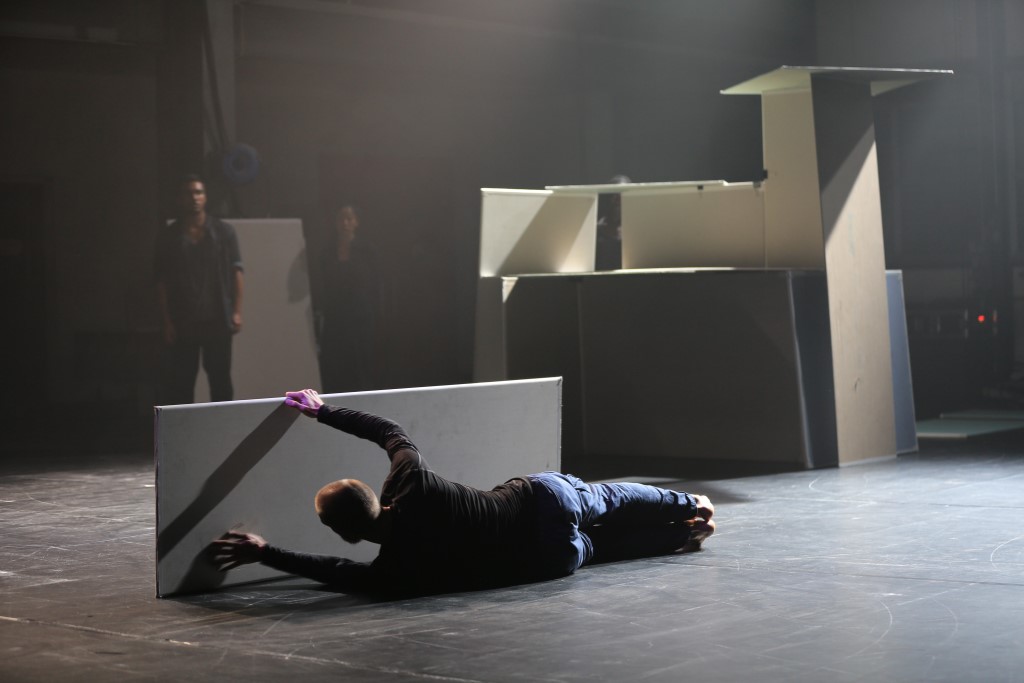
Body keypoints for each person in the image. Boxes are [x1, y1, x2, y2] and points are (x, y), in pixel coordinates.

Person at [212, 389, 715, 595]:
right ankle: (691, 504)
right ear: (372, 494)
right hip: (542, 502)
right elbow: (389, 431)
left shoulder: (395, 567)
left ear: (346, 532)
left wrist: (265, 552)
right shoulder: (412, 481)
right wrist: (323, 411)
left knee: (599, 548)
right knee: (605, 500)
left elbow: (339, 571)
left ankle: (683, 536)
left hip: (545, 557)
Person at [154, 174, 244, 403]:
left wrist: (236, 311)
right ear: (180, 198)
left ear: (205, 197)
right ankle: (187, 425)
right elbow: (162, 280)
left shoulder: (223, 232)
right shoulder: (170, 236)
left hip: (217, 318)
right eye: (189, 193)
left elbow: (236, 271)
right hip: (184, 319)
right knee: (182, 382)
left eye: (198, 192)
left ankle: (224, 424)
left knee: (220, 381)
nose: (194, 198)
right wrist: (166, 320)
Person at [316, 204, 379, 392]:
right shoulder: (327, 252)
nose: (345, 223)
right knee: (337, 361)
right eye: (341, 219)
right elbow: (323, 282)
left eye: (349, 219)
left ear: (356, 222)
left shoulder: (367, 250)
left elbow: (375, 281)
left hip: (360, 314)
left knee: (361, 360)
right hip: (336, 315)